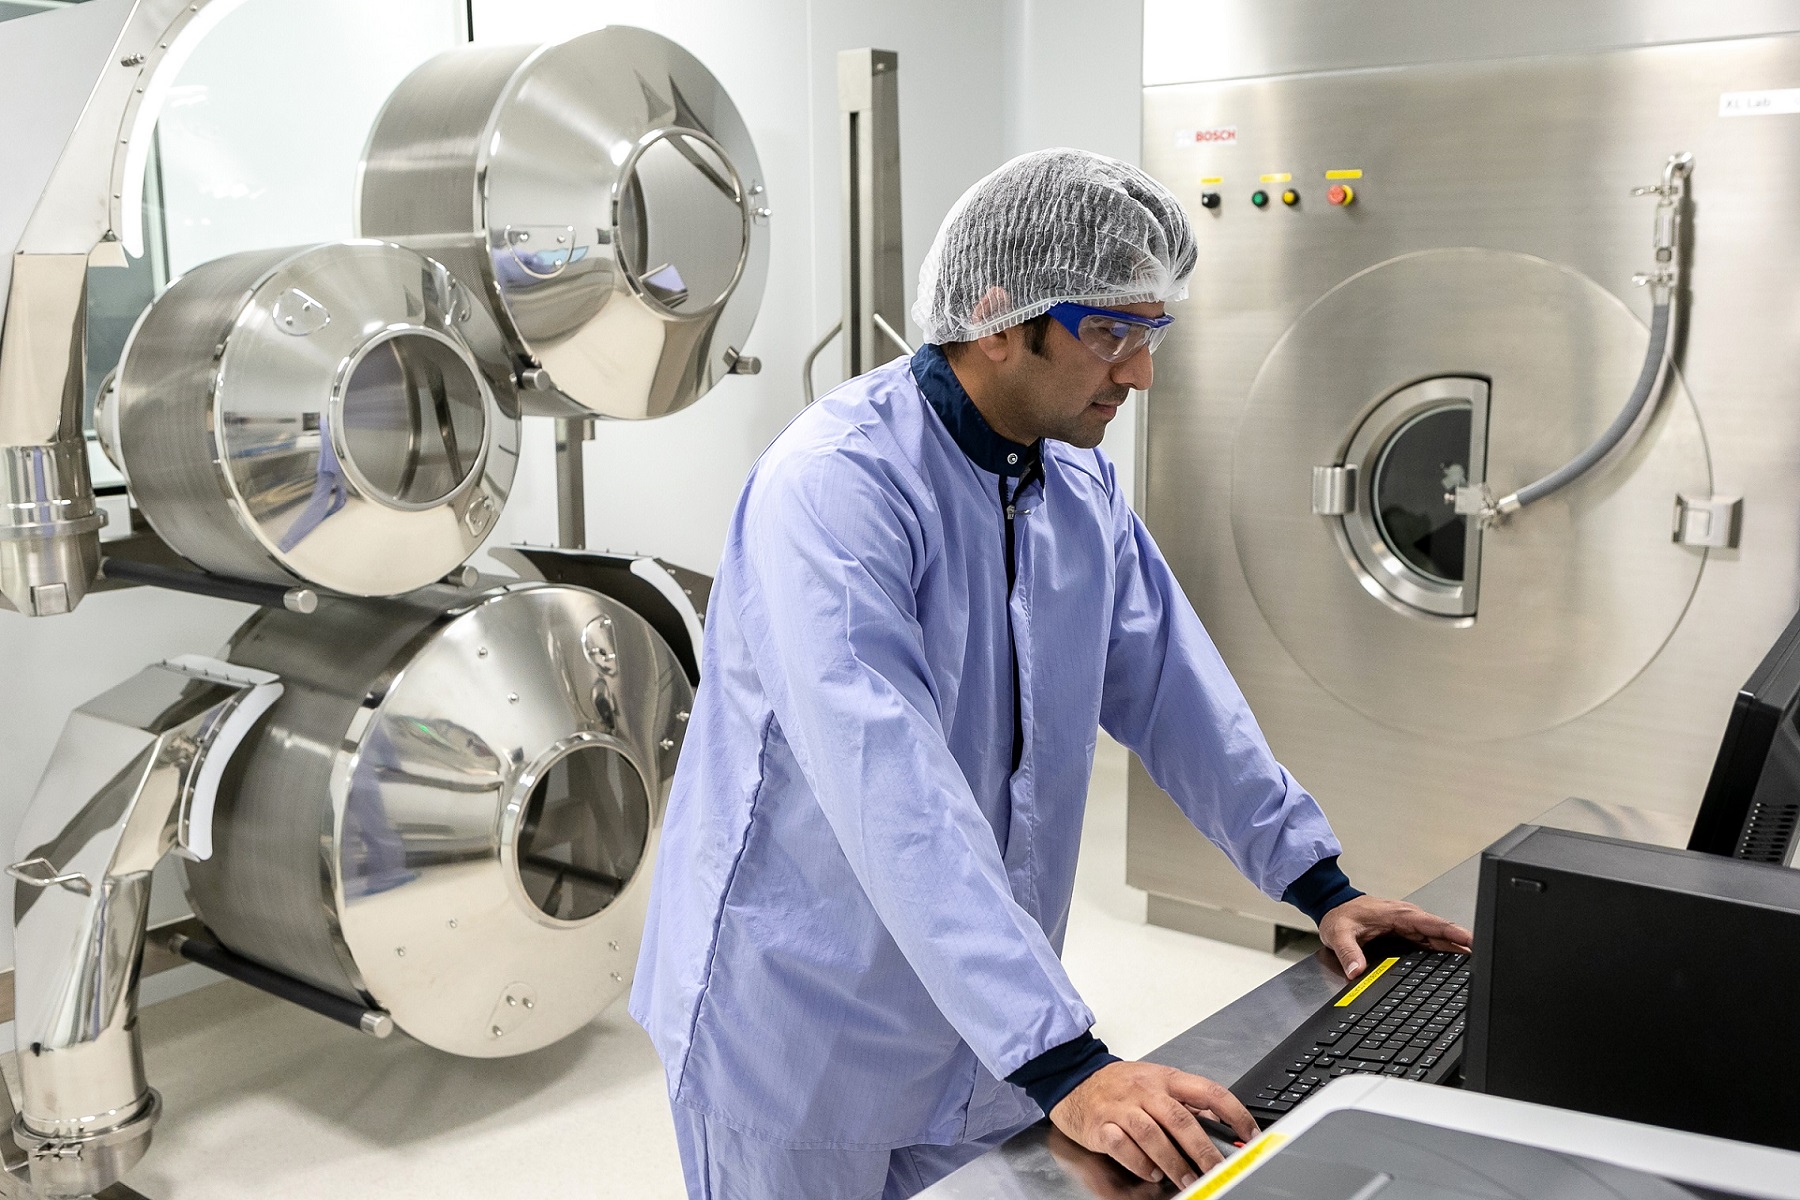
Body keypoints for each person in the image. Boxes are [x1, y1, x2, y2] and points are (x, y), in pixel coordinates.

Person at [631, 148, 1471, 1200]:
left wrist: (1320, 885)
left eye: (1150, 333)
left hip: (982, 1017)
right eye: (1110, 332)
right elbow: (885, 778)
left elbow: (1177, 690)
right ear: (996, 315)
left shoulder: (1073, 484)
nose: (1140, 373)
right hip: (801, 1019)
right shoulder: (837, 489)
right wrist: (1065, 1058)